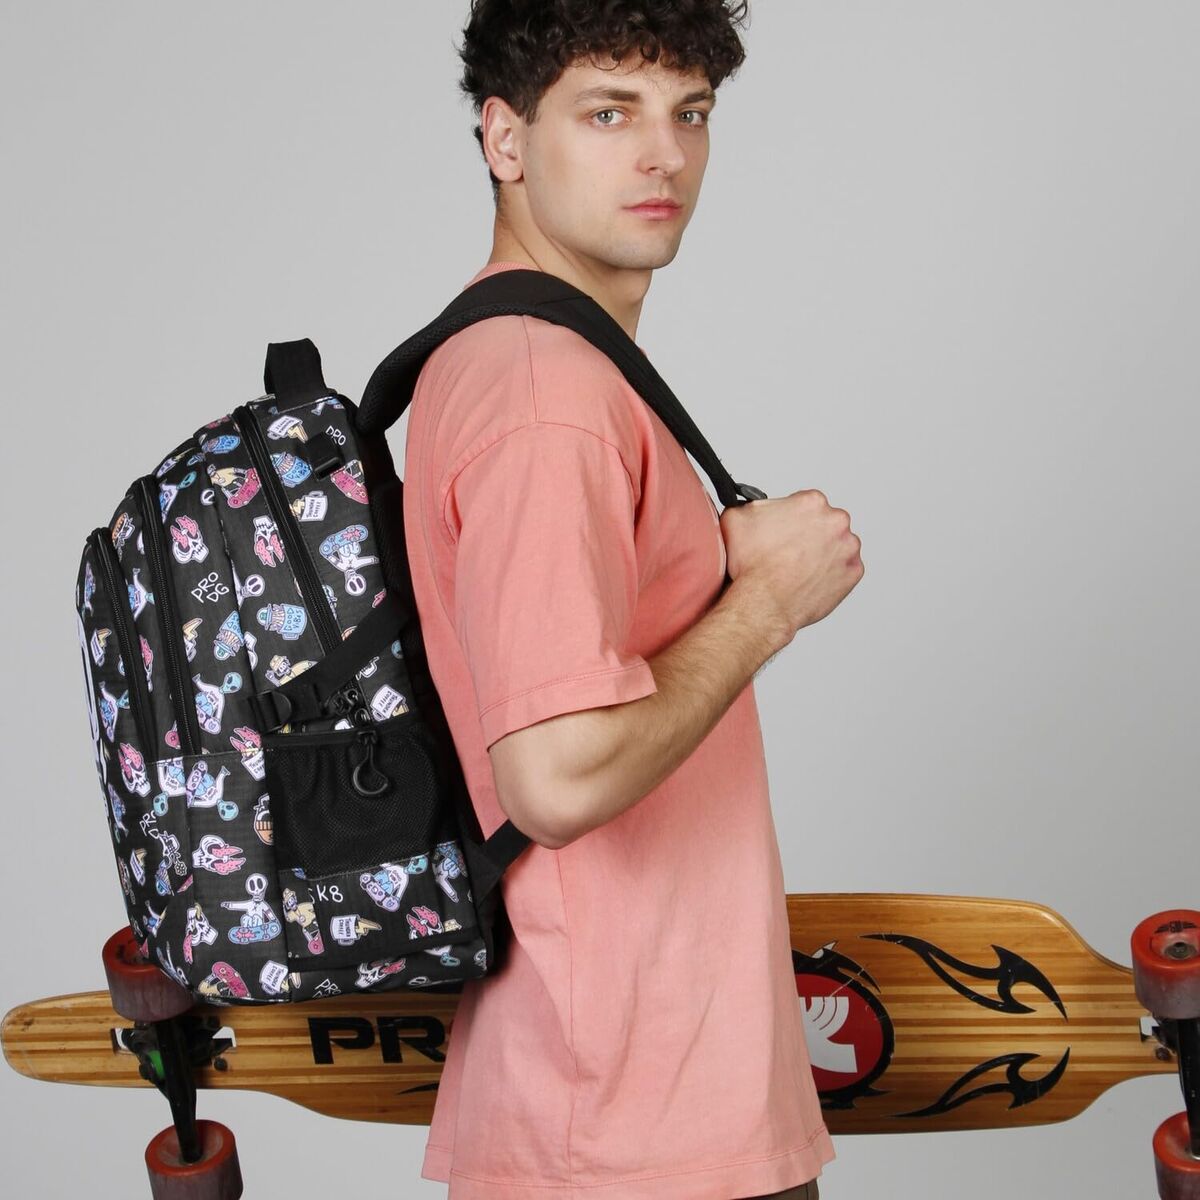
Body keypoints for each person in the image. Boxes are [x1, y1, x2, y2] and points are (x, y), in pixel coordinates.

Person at [401, 3, 864, 1196]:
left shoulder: (529, 363)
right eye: (609, 114)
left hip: (635, 1104)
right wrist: (767, 605)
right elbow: (554, 780)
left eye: (689, 113)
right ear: (506, 139)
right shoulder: (544, 397)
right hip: (627, 1125)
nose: (663, 154)